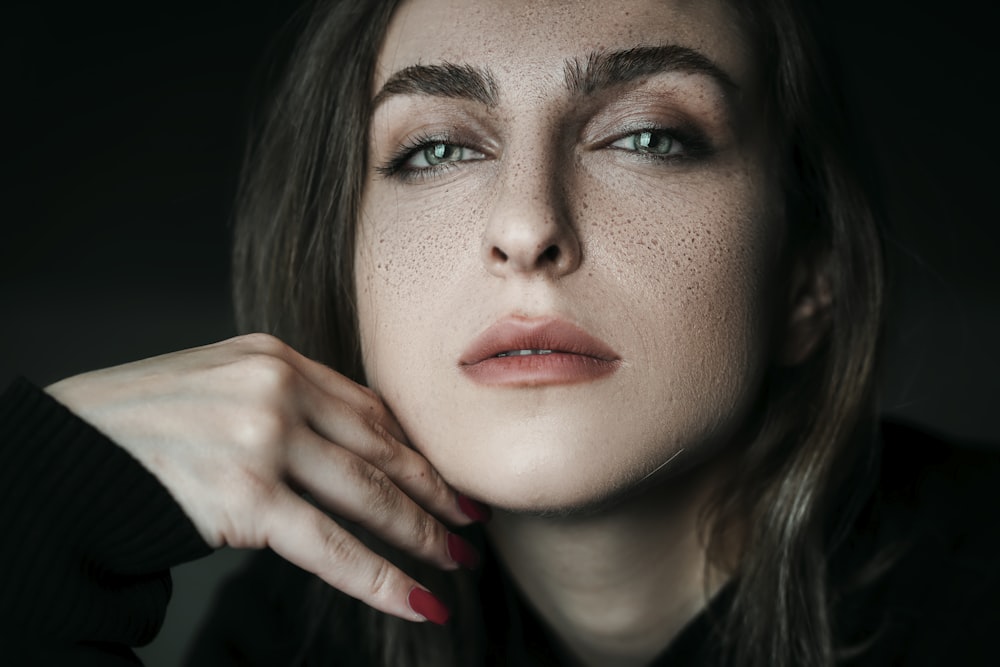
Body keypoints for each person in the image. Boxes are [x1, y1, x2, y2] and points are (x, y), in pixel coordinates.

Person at [1, 0, 997, 665]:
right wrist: (33, 509)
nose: (525, 226)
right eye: (435, 147)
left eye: (647, 136)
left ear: (805, 279)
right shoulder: (295, 635)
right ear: (349, 273)